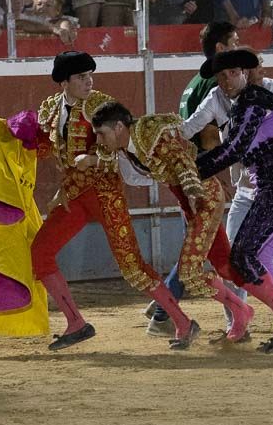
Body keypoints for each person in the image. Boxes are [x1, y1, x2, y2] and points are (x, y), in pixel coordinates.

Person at [32, 51, 200, 350]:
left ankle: (183, 322)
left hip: (104, 194)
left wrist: (93, 160)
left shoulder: (99, 104)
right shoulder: (50, 109)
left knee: (132, 266)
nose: (88, 81)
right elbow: (52, 149)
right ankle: (76, 323)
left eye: (90, 75)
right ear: (64, 82)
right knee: (40, 252)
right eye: (81, 77)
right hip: (74, 195)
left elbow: (117, 148)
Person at [88, 101, 258, 345]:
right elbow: (133, 174)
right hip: (191, 202)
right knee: (222, 264)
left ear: (117, 127)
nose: (100, 141)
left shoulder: (149, 135)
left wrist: (191, 192)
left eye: (102, 134)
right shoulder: (126, 148)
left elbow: (181, 160)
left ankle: (248, 311)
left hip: (201, 196)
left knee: (190, 271)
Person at [194, 48, 273, 352]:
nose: (227, 80)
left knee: (243, 255)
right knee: (261, 259)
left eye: (232, 73)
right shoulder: (248, 103)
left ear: (244, 73)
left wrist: (191, 169)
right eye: (221, 76)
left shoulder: (254, 103)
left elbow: (233, 150)